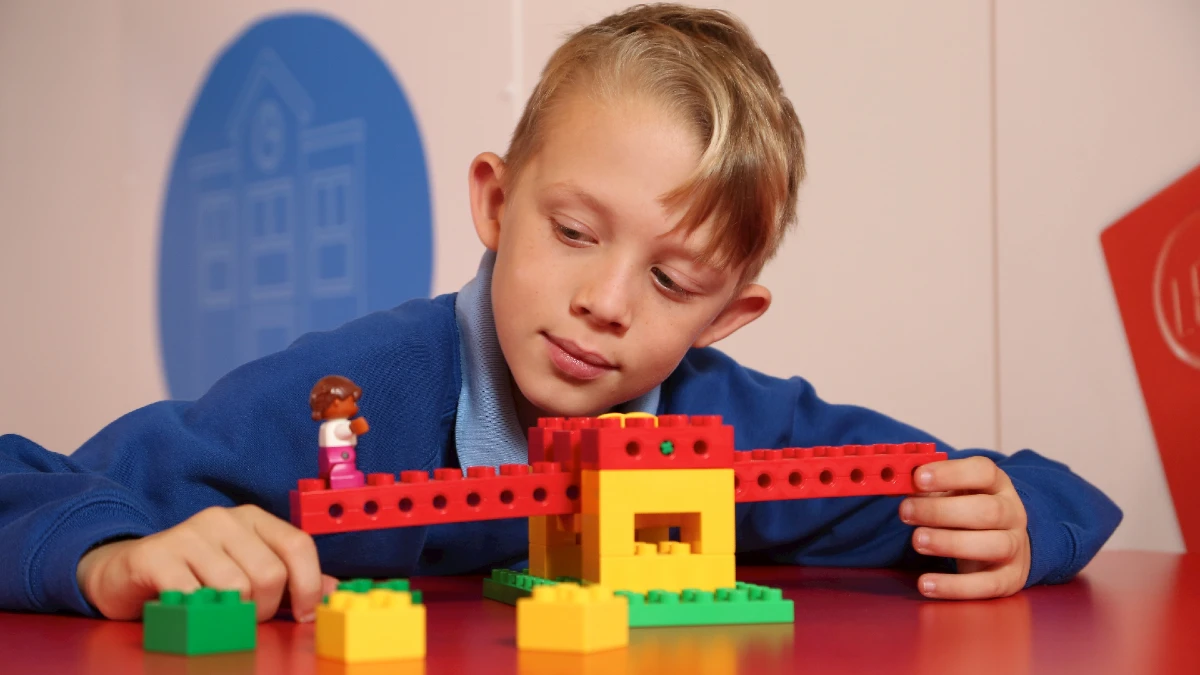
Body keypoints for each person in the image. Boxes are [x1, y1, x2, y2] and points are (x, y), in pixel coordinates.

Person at [0, 3, 1121, 625]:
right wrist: (114, 556)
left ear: (729, 318)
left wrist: (1031, 514)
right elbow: (23, 484)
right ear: (496, 203)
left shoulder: (732, 436)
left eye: (674, 283)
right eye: (575, 233)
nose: (604, 301)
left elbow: (975, 488)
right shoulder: (349, 403)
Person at [310, 375, 369, 489]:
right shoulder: (338, 426)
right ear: (337, 402)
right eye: (353, 403)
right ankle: (343, 477)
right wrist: (354, 427)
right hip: (339, 458)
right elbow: (342, 431)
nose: (356, 407)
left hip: (328, 457)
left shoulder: (326, 427)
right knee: (345, 466)